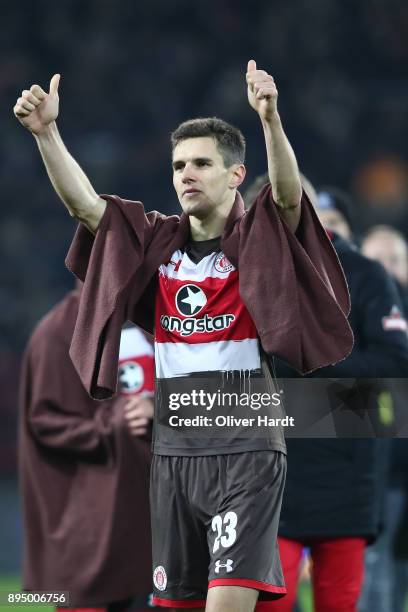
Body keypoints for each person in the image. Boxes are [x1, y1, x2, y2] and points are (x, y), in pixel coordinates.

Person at [14, 61, 353, 612]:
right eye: (178, 165)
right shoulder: (156, 243)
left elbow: (289, 199)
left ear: (236, 174)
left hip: (245, 447)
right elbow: (85, 206)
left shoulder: (257, 239)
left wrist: (270, 121)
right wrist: (47, 134)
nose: (185, 174)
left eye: (201, 163)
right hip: (173, 455)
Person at [245, 181, 408, 611]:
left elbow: (395, 367)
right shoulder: (242, 277)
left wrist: (319, 359)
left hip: (347, 480)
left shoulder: (364, 274)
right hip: (265, 483)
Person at [19, 285, 155, 612]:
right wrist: (114, 422)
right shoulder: (57, 332)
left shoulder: (156, 319)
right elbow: (45, 421)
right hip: (93, 533)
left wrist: (161, 408)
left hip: (156, 522)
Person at [359, 226, 408, 612]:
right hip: (381, 470)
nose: (387, 270)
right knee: (378, 570)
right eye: (378, 260)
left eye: (395, 260)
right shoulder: (357, 318)